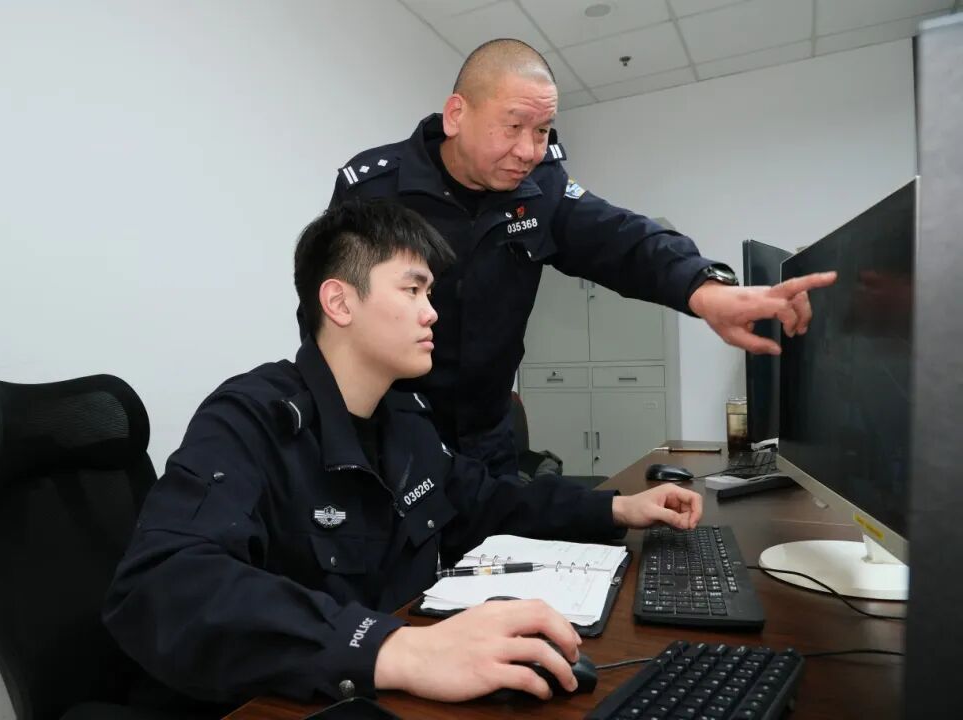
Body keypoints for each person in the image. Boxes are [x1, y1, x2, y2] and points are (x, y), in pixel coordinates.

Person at [103, 200, 703, 712]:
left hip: (386, 692)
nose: (431, 311)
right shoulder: (250, 418)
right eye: (413, 289)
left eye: (430, 293)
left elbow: (484, 501)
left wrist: (617, 509)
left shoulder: (403, 415)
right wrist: (396, 649)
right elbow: (163, 584)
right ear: (339, 303)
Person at [329, 38, 837, 476]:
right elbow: (329, 323)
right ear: (457, 115)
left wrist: (705, 289)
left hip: (487, 442)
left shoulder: (539, 187)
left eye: (542, 130)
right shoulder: (374, 191)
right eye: (514, 126)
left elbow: (621, 238)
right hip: (389, 436)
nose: (529, 151)